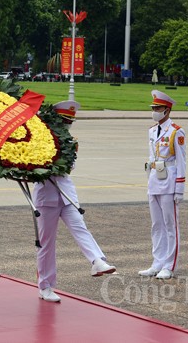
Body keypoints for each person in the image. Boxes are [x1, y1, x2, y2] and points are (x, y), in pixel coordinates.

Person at [33, 101, 116, 303]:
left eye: (70, 121)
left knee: (80, 227)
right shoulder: (39, 140)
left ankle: (97, 260)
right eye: (64, 120)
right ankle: (45, 285)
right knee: (46, 244)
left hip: (67, 194)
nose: (67, 125)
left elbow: (71, 167)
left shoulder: (71, 142)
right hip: (46, 197)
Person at [139, 90, 186, 280]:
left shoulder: (176, 131)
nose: (154, 111)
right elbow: (152, 157)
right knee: (156, 225)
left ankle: (169, 265)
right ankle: (157, 262)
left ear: (166, 110)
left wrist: (180, 188)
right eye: (153, 108)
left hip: (169, 181)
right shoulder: (152, 131)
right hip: (154, 180)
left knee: (170, 225)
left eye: (157, 108)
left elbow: (182, 161)